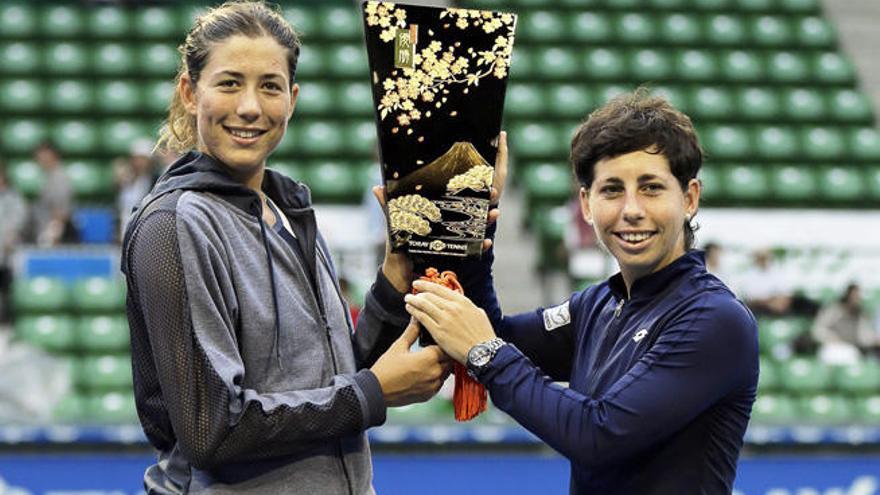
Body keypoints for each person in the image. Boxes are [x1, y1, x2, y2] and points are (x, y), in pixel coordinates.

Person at [121, 2, 457, 493]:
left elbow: (338, 376)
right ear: (190, 93)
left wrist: (393, 279)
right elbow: (210, 430)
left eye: (270, 86)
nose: (251, 107)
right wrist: (373, 394)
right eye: (230, 82)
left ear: (292, 99)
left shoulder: (288, 210)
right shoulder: (173, 225)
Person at [404, 90, 759, 494]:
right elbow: (481, 337)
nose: (631, 210)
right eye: (612, 190)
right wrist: (467, 219)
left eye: (651, 188)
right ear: (586, 205)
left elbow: (600, 435)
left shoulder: (715, 319)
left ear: (690, 198)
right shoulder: (599, 305)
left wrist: (486, 352)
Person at [812, 283, 879, 363]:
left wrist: (874, 340)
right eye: (853, 296)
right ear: (847, 296)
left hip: (853, 348)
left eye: (858, 296)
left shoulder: (860, 314)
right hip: (833, 345)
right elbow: (818, 329)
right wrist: (832, 338)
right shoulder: (833, 310)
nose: (856, 299)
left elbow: (866, 335)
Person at [30, 142, 74, 246]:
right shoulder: (49, 176)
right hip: (45, 228)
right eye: (38, 157)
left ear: (53, 156)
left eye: (43, 156)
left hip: (55, 235)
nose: (39, 160)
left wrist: (51, 236)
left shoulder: (60, 178)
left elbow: (61, 213)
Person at [0, 165, 26, 323]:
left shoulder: (13, 198)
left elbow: (18, 222)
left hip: (6, 254)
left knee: (6, 290)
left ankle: (7, 323)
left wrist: (10, 237)